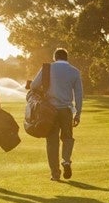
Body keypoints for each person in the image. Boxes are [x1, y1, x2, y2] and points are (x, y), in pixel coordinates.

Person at [30, 48, 83, 181]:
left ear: (55, 57)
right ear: (66, 58)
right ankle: (66, 160)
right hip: (66, 110)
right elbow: (79, 94)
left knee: (52, 142)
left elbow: (34, 86)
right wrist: (78, 113)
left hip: (49, 111)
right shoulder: (75, 71)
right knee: (67, 138)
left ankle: (55, 174)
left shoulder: (47, 68)